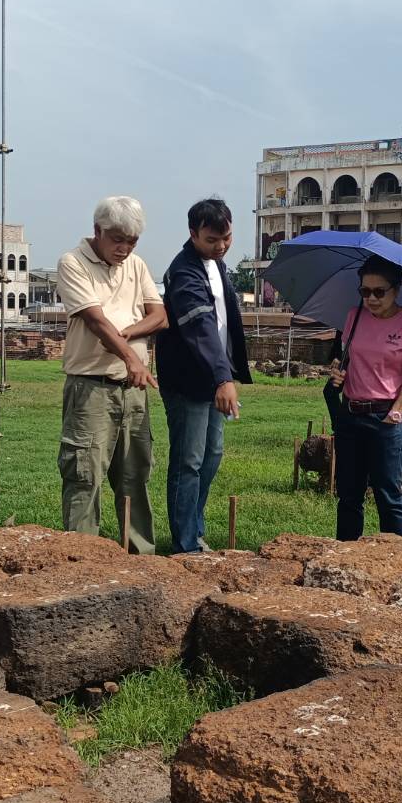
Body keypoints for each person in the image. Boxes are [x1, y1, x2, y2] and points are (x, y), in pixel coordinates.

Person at [55, 196, 167, 553]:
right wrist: (131, 359)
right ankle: (82, 558)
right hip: (91, 388)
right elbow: (96, 320)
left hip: (133, 391)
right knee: (84, 475)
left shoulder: (136, 265)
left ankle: (140, 557)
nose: (124, 248)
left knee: (135, 475)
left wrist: (128, 335)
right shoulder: (73, 262)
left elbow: (160, 316)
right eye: (117, 239)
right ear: (97, 231)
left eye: (132, 241)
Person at [155, 198, 251, 553]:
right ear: (193, 233)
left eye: (226, 237)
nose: (221, 245)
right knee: (189, 461)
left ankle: (194, 529)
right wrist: (222, 380)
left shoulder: (217, 265)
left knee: (212, 455)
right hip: (189, 381)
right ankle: (185, 544)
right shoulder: (184, 271)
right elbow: (200, 328)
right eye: (212, 240)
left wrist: (224, 375)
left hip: (212, 378)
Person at [327, 256, 402, 540]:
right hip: (351, 415)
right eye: (365, 291)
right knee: (348, 496)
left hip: (385, 418)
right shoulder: (354, 316)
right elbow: (348, 360)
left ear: (396, 290)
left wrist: (395, 414)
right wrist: (339, 372)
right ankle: (347, 560)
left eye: (379, 292)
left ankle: (396, 562)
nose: (371, 299)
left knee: (389, 496)